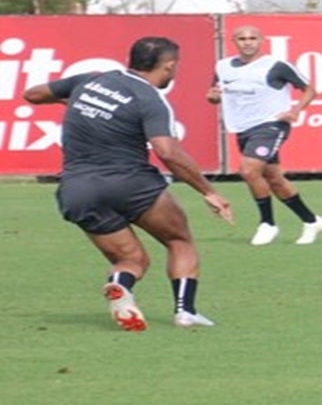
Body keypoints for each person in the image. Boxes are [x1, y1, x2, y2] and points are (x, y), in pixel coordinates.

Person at [23, 36, 234, 331]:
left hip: (77, 190)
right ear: (170, 66)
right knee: (178, 240)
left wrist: (80, 103)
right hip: (130, 183)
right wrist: (209, 191)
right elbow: (167, 151)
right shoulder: (150, 99)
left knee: (131, 259)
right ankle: (186, 312)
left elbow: (32, 94)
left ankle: (120, 285)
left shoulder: (90, 81)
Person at [207, 25, 322, 246]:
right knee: (274, 179)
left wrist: (295, 111)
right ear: (234, 41)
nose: (248, 42)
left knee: (248, 169)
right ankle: (311, 221)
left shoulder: (276, 65)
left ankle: (267, 223)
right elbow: (213, 96)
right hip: (243, 128)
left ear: (261, 40)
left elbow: (309, 89)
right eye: (242, 38)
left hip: (271, 124)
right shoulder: (223, 67)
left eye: (252, 38)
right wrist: (213, 96)